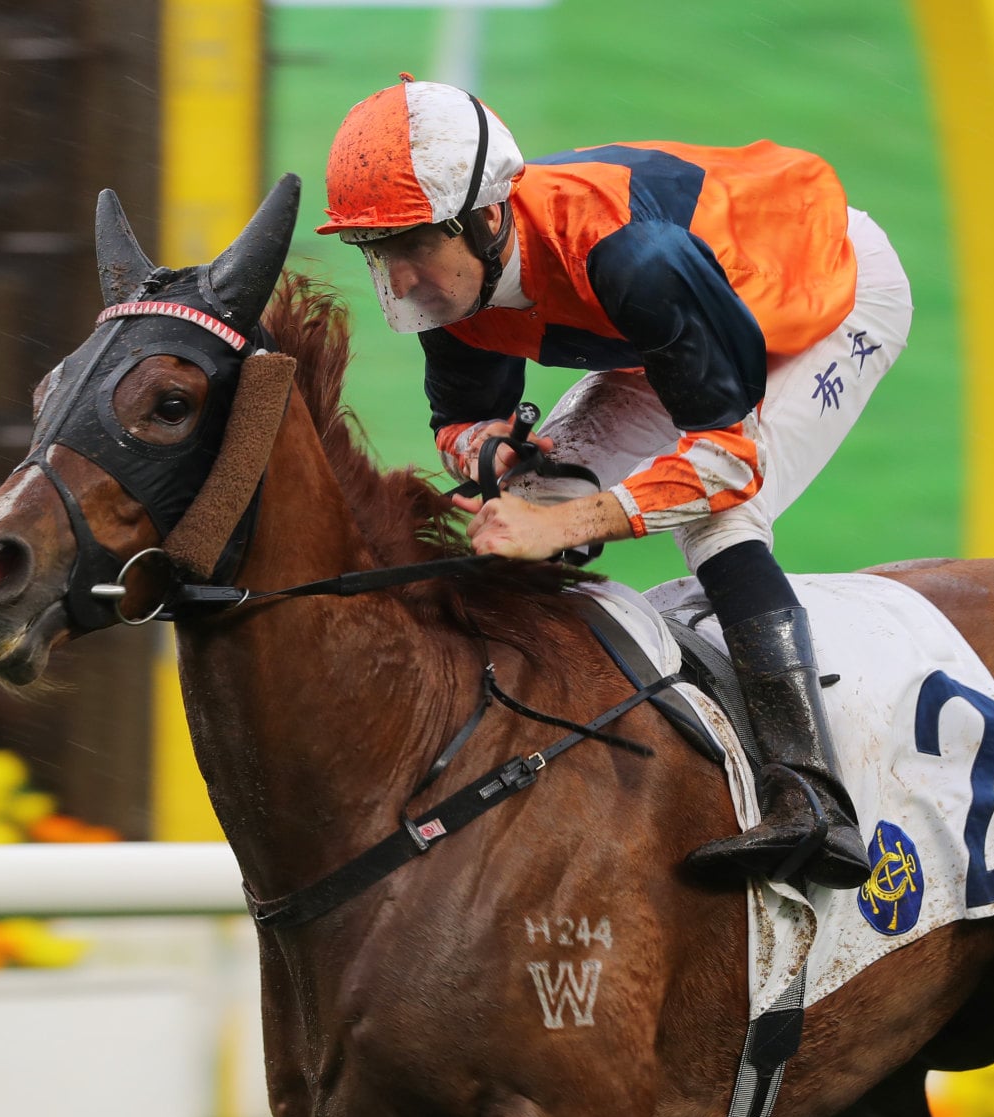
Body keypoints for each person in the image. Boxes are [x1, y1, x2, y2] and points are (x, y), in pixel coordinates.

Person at [317, 76, 914, 890]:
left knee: (716, 521)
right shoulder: (462, 278)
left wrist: (562, 527)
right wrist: (498, 461)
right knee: (542, 490)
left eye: (413, 245)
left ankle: (810, 798)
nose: (402, 277)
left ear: (486, 220)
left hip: (822, 290)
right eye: (380, 251)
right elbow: (460, 425)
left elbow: (723, 463)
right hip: (674, 324)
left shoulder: (631, 260)